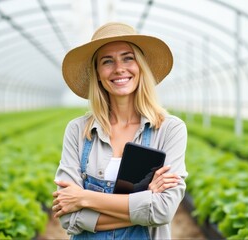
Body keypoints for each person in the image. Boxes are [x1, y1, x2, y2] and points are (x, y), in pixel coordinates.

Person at [52, 22, 188, 239]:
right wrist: (146, 200)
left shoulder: (170, 129)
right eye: (107, 61)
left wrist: (83, 199)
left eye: (128, 58)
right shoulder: (78, 130)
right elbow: (68, 218)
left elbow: (163, 210)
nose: (119, 69)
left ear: (140, 66)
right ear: (97, 73)